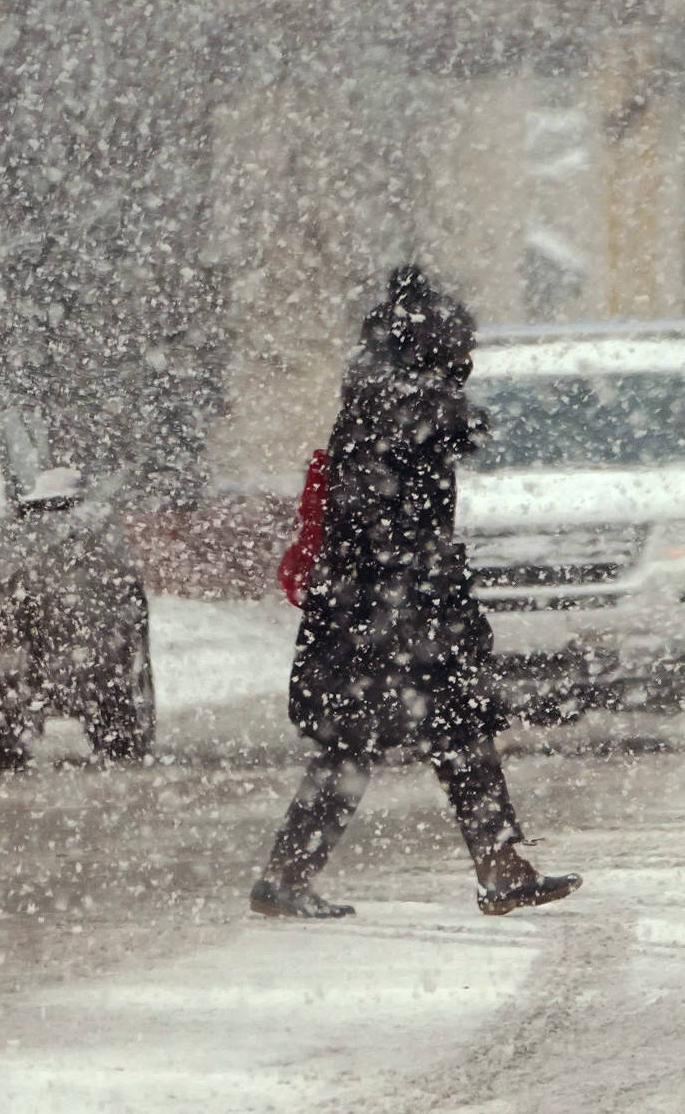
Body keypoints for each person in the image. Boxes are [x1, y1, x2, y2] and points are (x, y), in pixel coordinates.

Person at [251, 266, 581, 920]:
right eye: (463, 341)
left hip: (377, 607)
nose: (470, 354)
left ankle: (496, 865)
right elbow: (393, 510)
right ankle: (491, 866)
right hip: (393, 611)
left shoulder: (375, 396)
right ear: (432, 342)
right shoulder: (406, 404)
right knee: (416, 738)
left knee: (402, 741)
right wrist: (421, 592)